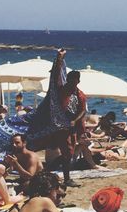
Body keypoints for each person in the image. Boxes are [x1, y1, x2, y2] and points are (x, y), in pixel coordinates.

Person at [25, 49, 88, 186]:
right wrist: (59, 59)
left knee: (68, 153)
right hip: (55, 125)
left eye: (74, 80)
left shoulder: (80, 95)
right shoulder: (61, 91)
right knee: (40, 144)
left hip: (68, 128)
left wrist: (74, 121)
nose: (72, 82)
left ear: (78, 81)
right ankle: (41, 171)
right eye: (70, 79)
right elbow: (55, 78)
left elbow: (83, 111)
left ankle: (65, 178)